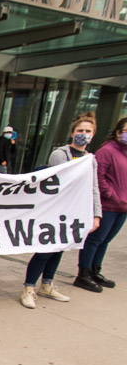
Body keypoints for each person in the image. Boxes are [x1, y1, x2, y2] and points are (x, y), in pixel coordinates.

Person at [20, 112, 102, 307]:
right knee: (45, 250)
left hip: (74, 212)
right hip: (55, 211)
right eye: (80, 130)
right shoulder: (61, 154)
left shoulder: (91, 159)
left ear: (93, 134)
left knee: (60, 249)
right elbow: (59, 183)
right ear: (72, 133)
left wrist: (96, 214)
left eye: (88, 131)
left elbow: (93, 187)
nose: (84, 134)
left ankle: (47, 284)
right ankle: (29, 287)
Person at [74, 117, 127, 291]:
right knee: (95, 239)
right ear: (118, 132)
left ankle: (96, 269)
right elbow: (98, 176)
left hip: (122, 206)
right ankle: (84, 273)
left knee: (105, 240)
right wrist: (110, 194)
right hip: (108, 204)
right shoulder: (108, 150)